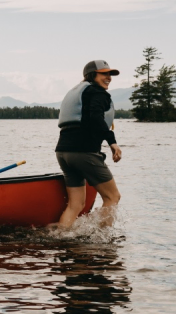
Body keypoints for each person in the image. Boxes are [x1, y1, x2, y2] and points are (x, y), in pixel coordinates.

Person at [55, 59, 122, 227]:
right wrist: (112, 142)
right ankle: (102, 238)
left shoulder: (80, 92)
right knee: (112, 197)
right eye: (104, 74)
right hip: (84, 152)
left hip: (63, 152)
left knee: (75, 205)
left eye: (109, 74)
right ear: (92, 75)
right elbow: (95, 117)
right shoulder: (97, 93)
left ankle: (62, 237)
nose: (108, 78)